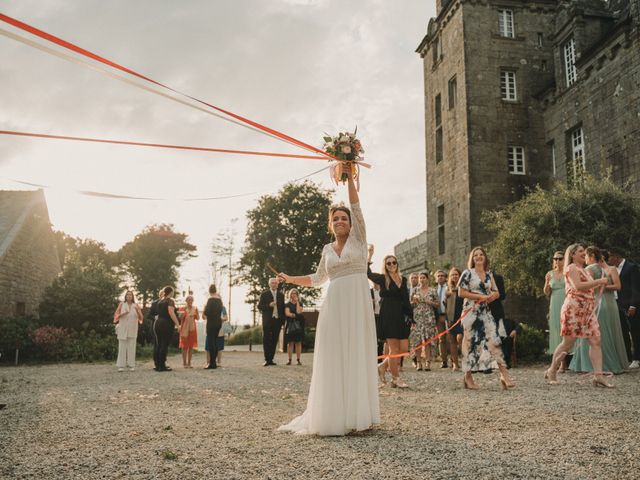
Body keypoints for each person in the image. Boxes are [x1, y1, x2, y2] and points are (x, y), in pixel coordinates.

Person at [277, 166, 379, 435]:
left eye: (344, 218)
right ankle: (334, 414)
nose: (341, 221)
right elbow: (316, 278)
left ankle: (359, 417)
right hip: (334, 304)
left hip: (357, 302)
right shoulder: (326, 250)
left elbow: (355, 205)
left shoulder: (359, 239)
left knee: (357, 351)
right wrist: (289, 278)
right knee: (335, 354)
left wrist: (347, 171)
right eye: (336, 219)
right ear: (330, 224)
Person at [545, 244, 613, 387]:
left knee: (596, 340)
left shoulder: (585, 270)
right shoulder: (571, 268)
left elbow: (588, 287)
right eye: (581, 251)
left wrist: (599, 283)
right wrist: (599, 281)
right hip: (573, 309)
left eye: (584, 251)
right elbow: (577, 286)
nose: (584, 253)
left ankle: (598, 376)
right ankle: (552, 370)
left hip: (587, 310)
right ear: (573, 254)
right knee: (568, 343)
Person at [458, 247, 515, 390]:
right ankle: (468, 377)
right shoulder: (467, 273)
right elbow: (461, 292)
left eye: (481, 254)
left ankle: (504, 375)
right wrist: (480, 297)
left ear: (485, 257)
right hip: (470, 312)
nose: (478, 257)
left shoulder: (489, 275)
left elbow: (496, 292)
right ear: (472, 258)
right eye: (475, 255)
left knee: (494, 342)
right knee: (470, 345)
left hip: (486, 313)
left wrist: (491, 296)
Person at [570, 247, 629, 374]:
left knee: (596, 333)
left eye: (585, 255)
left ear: (591, 256)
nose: (585, 258)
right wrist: (604, 285)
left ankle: (593, 365)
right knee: (609, 331)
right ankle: (614, 362)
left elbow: (587, 287)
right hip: (611, 304)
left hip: (598, 302)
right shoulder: (609, 269)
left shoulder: (589, 269)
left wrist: (601, 285)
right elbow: (618, 286)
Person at [368, 249, 413, 388]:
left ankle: (382, 366)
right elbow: (367, 273)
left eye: (394, 262)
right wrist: (370, 255)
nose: (392, 265)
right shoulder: (383, 279)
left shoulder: (403, 279)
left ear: (397, 264)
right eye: (388, 263)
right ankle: (396, 378)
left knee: (403, 348)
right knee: (394, 350)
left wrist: (411, 318)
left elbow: (406, 300)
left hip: (402, 316)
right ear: (385, 266)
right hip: (388, 315)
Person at [608, 250, 640, 368]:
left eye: (609, 257)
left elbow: (636, 287)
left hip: (630, 306)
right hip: (617, 304)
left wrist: (633, 305)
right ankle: (627, 358)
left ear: (616, 256)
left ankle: (637, 358)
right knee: (623, 331)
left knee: (635, 331)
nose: (608, 259)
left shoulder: (631, 267)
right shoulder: (612, 269)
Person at [409, 272, 439, 371]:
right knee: (417, 340)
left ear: (427, 279)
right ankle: (418, 363)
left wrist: (431, 302)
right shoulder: (415, 290)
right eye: (420, 278)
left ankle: (427, 363)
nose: (422, 279)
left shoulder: (433, 291)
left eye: (423, 278)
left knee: (428, 340)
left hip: (429, 317)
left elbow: (438, 304)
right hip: (417, 317)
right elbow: (410, 303)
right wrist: (414, 302)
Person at [544, 251, 567, 370]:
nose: (557, 261)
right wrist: (547, 282)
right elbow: (547, 293)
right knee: (557, 330)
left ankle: (571, 361)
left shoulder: (568, 272)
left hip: (566, 302)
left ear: (564, 259)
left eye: (560, 258)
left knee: (566, 330)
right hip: (554, 304)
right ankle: (560, 363)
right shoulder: (549, 274)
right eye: (555, 259)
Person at [113, 290, 143, 372]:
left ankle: (131, 365)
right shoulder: (121, 304)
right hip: (122, 328)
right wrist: (122, 314)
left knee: (132, 347)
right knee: (122, 347)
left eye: (130, 295)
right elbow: (115, 316)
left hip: (133, 328)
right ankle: (121, 365)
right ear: (125, 296)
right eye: (127, 295)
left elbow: (141, 318)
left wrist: (138, 311)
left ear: (133, 297)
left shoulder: (136, 305)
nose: (129, 296)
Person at [258, 278, 285, 366]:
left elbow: (282, 308)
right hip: (267, 320)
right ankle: (267, 359)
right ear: (269, 284)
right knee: (266, 339)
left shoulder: (281, 295)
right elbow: (259, 306)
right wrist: (269, 305)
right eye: (272, 283)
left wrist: (283, 321)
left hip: (277, 320)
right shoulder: (264, 294)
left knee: (274, 340)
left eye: (275, 283)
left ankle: (271, 359)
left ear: (277, 284)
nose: (274, 284)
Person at [153, 286, 180, 372]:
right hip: (166, 324)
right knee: (164, 344)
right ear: (171, 292)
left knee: (159, 344)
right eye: (173, 292)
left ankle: (157, 365)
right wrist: (178, 324)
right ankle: (162, 366)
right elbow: (171, 313)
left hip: (157, 323)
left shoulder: (160, 301)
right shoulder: (170, 301)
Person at [445, 267, 464, 371]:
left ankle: (465, 361)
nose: (454, 276)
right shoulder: (448, 289)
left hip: (462, 317)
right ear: (450, 277)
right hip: (451, 317)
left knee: (460, 338)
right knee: (452, 341)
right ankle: (455, 364)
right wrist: (445, 297)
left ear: (460, 275)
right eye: (452, 275)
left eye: (456, 274)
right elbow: (444, 305)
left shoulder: (464, 286)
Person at [203, 284, 223, 370]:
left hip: (211, 322)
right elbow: (220, 310)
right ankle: (214, 361)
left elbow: (207, 312)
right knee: (215, 341)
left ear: (209, 291)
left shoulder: (210, 300)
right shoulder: (220, 300)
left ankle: (212, 363)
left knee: (211, 342)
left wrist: (205, 309)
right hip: (218, 322)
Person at [284, 289, 305, 365]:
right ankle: (289, 360)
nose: (294, 295)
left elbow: (299, 311)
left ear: (297, 294)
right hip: (290, 325)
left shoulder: (300, 303)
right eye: (292, 293)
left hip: (299, 325)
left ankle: (298, 360)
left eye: (295, 293)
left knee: (298, 343)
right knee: (290, 343)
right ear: (290, 295)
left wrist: (297, 302)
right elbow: (287, 313)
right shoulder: (287, 304)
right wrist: (295, 315)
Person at [178, 295, 199, 368]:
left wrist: (196, 313)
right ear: (186, 301)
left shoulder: (195, 308)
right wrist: (183, 314)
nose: (190, 301)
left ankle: (189, 363)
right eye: (189, 300)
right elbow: (179, 317)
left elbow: (198, 318)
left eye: (191, 300)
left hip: (192, 329)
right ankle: (184, 363)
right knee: (184, 346)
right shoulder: (182, 308)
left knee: (191, 346)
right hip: (184, 329)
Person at [434, 270, 449, 368]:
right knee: (441, 339)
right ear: (436, 278)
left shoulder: (449, 288)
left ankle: (454, 360)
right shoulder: (434, 290)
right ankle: (444, 361)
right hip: (438, 316)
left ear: (445, 277)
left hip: (448, 315)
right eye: (438, 276)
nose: (440, 277)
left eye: (442, 276)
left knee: (451, 339)